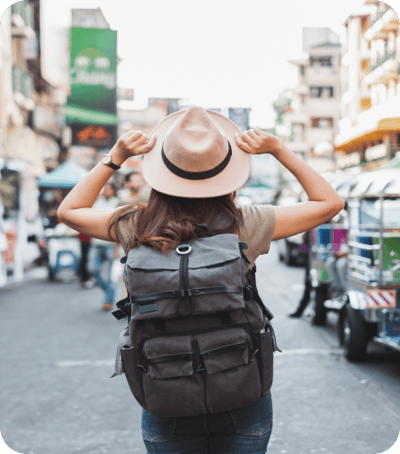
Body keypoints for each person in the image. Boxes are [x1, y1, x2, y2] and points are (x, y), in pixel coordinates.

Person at [57, 106, 344, 453]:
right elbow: (330, 202)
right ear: (226, 174)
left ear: (161, 171)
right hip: (241, 389)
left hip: (165, 392)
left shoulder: (137, 225)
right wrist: (278, 149)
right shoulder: (246, 223)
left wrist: (115, 156)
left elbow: (68, 212)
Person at [89, 183, 120, 310]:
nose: (106, 191)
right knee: (93, 270)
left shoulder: (118, 202)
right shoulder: (97, 202)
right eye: (104, 188)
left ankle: (108, 300)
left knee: (111, 274)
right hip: (96, 243)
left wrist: (117, 247)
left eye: (108, 188)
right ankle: (108, 291)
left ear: (114, 190)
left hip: (110, 244)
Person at [289, 229, 313, 318]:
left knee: (309, 283)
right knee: (309, 283)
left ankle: (300, 310)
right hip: (313, 256)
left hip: (317, 257)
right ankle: (301, 309)